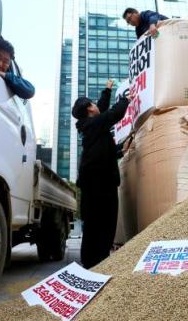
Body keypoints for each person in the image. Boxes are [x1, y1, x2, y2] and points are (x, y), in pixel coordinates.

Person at [72, 79, 132, 269]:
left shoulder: (92, 126)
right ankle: (95, 262)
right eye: (93, 104)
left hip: (96, 182)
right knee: (102, 223)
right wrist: (126, 99)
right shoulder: (93, 125)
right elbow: (112, 114)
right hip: (99, 183)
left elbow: (102, 110)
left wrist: (107, 90)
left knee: (96, 223)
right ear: (90, 109)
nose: (97, 105)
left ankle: (94, 260)